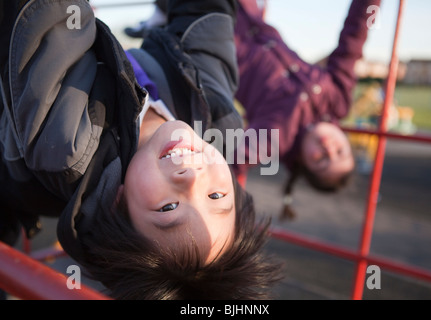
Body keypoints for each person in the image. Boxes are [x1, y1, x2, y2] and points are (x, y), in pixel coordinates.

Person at [0, 0, 282, 300]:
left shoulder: (69, 143)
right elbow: (207, 18)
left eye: (168, 208)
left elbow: (45, 14)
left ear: (118, 203)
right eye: (216, 196)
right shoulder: (215, 116)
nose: (193, 177)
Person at [124, 0, 382, 220]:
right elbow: (353, 42)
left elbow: (227, 163)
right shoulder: (337, 99)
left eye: (321, 159)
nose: (328, 148)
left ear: (303, 163)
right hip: (251, 15)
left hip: (221, 34)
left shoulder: (274, 141)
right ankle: (160, 17)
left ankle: (161, 19)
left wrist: (216, 208)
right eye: (339, 150)